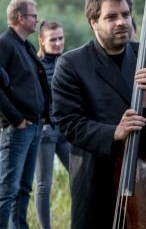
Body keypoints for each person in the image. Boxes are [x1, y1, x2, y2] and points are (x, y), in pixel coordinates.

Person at [51, 0, 146, 229]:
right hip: (97, 177)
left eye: (125, 14)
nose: (122, 21)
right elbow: (67, 123)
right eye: (111, 17)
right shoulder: (72, 63)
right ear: (93, 22)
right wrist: (114, 132)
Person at [0, 0, 48, 229]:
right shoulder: (5, 44)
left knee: (24, 189)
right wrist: (16, 120)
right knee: (7, 190)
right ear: (21, 18)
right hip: (18, 129)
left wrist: (43, 117)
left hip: (35, 126)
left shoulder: (26, 45)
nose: (36, 20)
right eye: (33, 16)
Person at [35, 20, 70, 229]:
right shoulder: (36, 64)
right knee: (44, 184)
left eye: (60, 38)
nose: (58, 43)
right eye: (53, 39)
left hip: (66, 132)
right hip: (46, 133)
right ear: (42, 41)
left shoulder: (68, 61)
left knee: (80, 177)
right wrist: (42, 122)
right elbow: (32, 96)